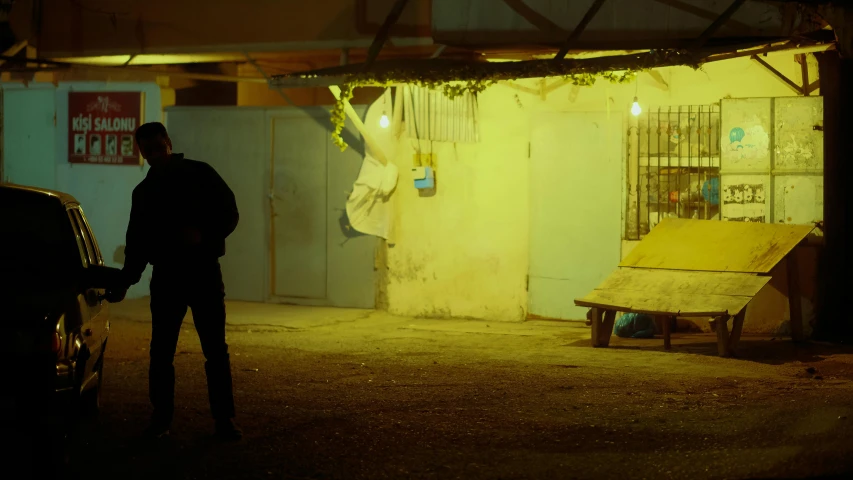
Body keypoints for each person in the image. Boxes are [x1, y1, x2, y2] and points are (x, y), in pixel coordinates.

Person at [106, 122, 242, 441]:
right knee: (165, 352)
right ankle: (170, 419)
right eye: (147, 150)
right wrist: (127, 280)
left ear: (167, 142)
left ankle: (217, 420)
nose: (153, 155)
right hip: (174, 276)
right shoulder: (146, 192)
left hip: (199, 273)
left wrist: (203, 235)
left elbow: (229, 212)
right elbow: (137, 242)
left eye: (156, 147)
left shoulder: (198, 175)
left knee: (209, 351)